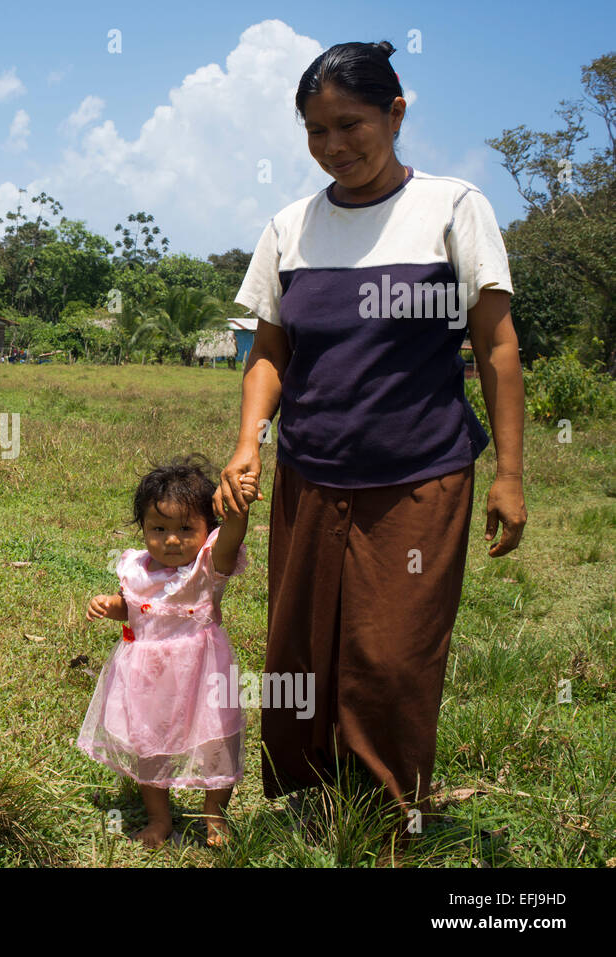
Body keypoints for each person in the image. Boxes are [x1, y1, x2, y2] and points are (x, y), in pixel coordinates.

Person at [213, 41, 527, 857]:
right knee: (300, 648)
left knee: (390, 654)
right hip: (312, 470)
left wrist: (512, 474)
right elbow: (270, 350)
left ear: (395, 113)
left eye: (350, 124)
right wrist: (250, 441)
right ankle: (312, 804)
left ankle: (391, 816)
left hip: (420, 473)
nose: (334, 146)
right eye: (316, 131)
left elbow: (496, 346)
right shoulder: (292, 226)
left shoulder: (454, 208)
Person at [80, 456, 259, 848]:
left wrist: (238, 511)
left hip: (203, 674)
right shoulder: (135, 568)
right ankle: (160, 819)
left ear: (208, 529)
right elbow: (131, 609)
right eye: (158, 528)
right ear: (142, 528)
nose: (172, 539)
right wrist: (109, 606)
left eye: (185, 528)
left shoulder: (208, 566)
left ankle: (215, 818)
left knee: (216, 743)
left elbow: (232, 535)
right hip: (146, 677)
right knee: (149, 746)